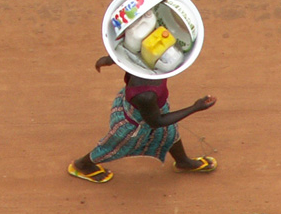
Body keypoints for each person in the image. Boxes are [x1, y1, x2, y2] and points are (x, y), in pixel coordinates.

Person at [69, 55, 217, 183]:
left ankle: (183, 162)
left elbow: (128, 54)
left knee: (170, 133)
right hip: (134, 123)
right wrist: (195, 107)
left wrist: (111, 59)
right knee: (114, 146)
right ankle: (82, 165)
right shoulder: (145, 94)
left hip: (153, 109)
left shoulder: (145, 62)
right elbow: (156, 122)